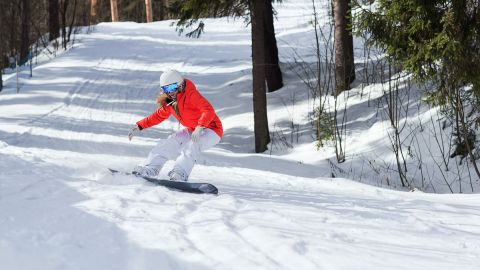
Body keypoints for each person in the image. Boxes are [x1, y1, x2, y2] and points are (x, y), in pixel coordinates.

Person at [128, 69, 223, 181]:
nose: (169, 92)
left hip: (212, 130)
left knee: (192, 145)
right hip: (193, 129)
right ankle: (150, 169)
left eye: (172, 88)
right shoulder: (171, 101)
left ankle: (180, 174)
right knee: (170, 142)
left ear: (180, 85)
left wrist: (200, 127)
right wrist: (140, 126)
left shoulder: (191, 94)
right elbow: (158, 116)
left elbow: (208, 110)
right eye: (165, 89)